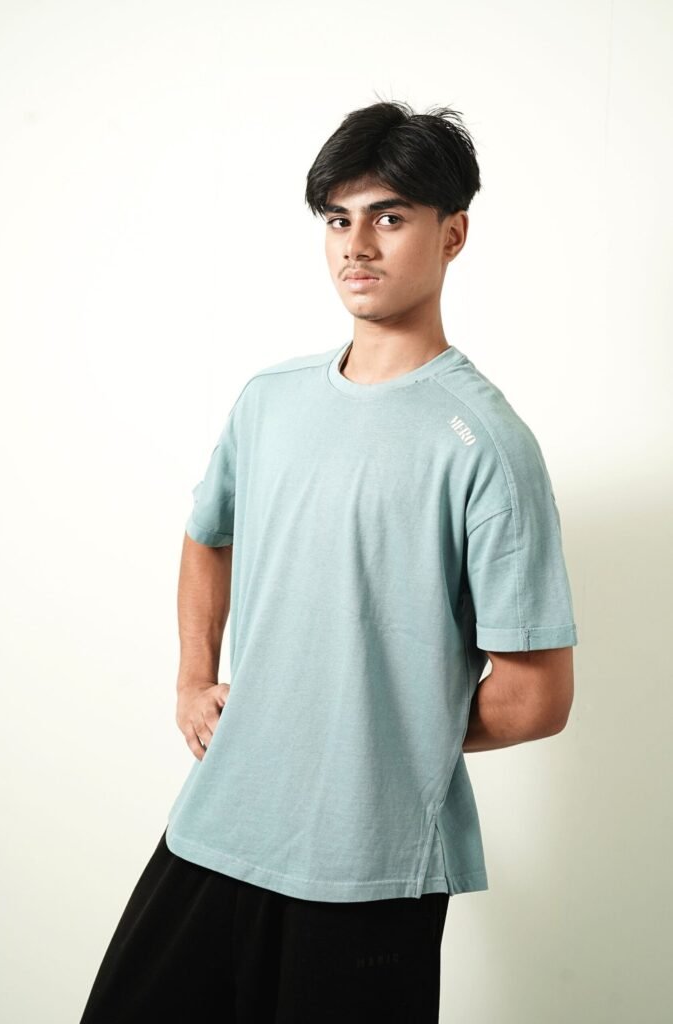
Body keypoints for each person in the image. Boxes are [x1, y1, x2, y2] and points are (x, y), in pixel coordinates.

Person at [78, 99, 578, 1023]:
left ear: (452, 233)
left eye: (388, 217)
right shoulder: (268, 401)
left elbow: (534, 698)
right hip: (221, 823)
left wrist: (365, 734)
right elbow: (207, 533)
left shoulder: (487, 446)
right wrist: (193, 679)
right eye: (338, 220)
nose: (357, 245)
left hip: (368, 865)